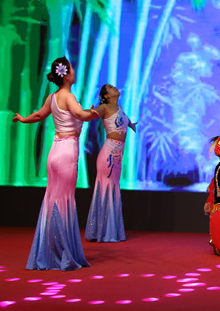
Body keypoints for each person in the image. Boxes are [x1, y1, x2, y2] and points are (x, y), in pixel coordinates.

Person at [13, 57, 99, 270]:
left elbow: (38, 115)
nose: (74, 72)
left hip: (55, 152)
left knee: (53, 200)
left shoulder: (52, 97)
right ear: (67, 75)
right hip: (67, 151)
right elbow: (79, 114)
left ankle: (49, 251)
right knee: (63, 201)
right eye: (72, 69)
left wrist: (23, 119)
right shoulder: (68, 96)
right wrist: (92, 114)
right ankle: (62, 253)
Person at [85, 84, 136, 242]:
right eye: (111, 88)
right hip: (108, 154)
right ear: (106, 96)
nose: (115, 88)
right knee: (106, 188)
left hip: (118, 154)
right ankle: (103, 231)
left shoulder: (120, 109)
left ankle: (110, 230)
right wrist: (88, 112)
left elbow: (124, 120)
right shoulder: (104, 107)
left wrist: (131, 125)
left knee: (113, 188)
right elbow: (92, 114)